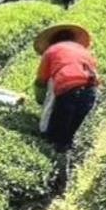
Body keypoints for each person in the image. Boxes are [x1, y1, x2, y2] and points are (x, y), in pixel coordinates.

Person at [33, 24, 98, 154]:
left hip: (67, 87)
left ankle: (55, 153)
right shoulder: (84, 51)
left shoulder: (51, 51)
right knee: (75, 124)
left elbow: (41, 79)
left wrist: (40, 99)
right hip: (90, 88)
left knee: (58, 125)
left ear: (52, 41)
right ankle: (69, 149)